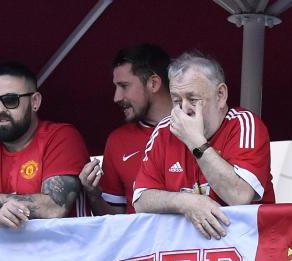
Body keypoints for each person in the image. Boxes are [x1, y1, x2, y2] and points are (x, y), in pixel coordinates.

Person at [133, 51, 274, 239]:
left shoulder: (244, 123)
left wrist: (195, 141)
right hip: (190, 256)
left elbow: (239, 196)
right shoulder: (164, 130)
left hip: (249, 250)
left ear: (221, 95)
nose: (184, 108)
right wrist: (186, 202)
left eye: (193, 99)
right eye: (176, 100)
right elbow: (141, 200)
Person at [0, 61, 89, 228]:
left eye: (10, 100)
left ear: (35, 102)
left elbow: (54, 207)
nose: (0, 109)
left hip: (62, 252)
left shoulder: (62, 137)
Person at [79, 44, 173, 215]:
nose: (116, 97)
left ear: (153, 83)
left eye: (124, 86)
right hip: (142, 242)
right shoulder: (117, 140)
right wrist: (94, 195)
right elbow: (114, 222)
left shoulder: (201, 128)